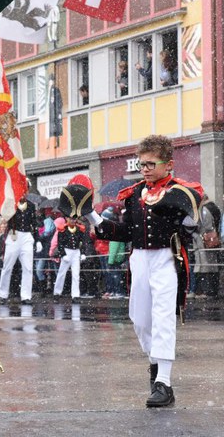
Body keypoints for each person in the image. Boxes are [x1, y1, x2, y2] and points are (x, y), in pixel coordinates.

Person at [85, 134, 203, 408]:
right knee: (139, 319)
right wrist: (91, 215)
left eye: (151, 163)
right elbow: (126, 231)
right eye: (142, 164)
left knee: (163, 317)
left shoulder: (180, 190)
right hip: (139, 259)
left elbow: (190, 227)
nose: (146, 168)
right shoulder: (135, 193)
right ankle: (155, 362)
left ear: (168, 164)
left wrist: (184, 215)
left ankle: (164, 381)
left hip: (166, 258)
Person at [0, 194, 38, 305]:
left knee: (28, 268)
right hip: (14, 235)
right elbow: (4, 216)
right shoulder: (12, 203)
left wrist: (37, 239)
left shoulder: (30, 205)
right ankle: (3, 294)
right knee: (7, 266)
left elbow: (34, 223)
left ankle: (26, 296)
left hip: (26, 236)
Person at [52, 216, 86, 303]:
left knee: (76, 275)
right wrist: (63, 254)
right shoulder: (63, 229)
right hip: (67, 252)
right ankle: (56, 293)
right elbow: (60, 244)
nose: (73, 220)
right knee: (61, 274)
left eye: (74, 219)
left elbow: (82, 242)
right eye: (71, 219)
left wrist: (82, 253)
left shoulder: (79, 229)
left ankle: (75, 295)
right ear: (67, 219)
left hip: (76, 252)